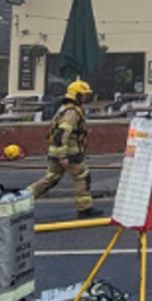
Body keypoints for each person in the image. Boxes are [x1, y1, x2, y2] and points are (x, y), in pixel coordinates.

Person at [29, 79, 103, 218]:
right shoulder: (72, 112)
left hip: (56, 151)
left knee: (51, 179)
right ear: (78, 95)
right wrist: (63, 156)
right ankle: (84, 209)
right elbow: (62, 133)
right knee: (82, 177)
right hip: (69, 153)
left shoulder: (65, 108)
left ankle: (23, 199)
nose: (86, 97)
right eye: (84, 94)